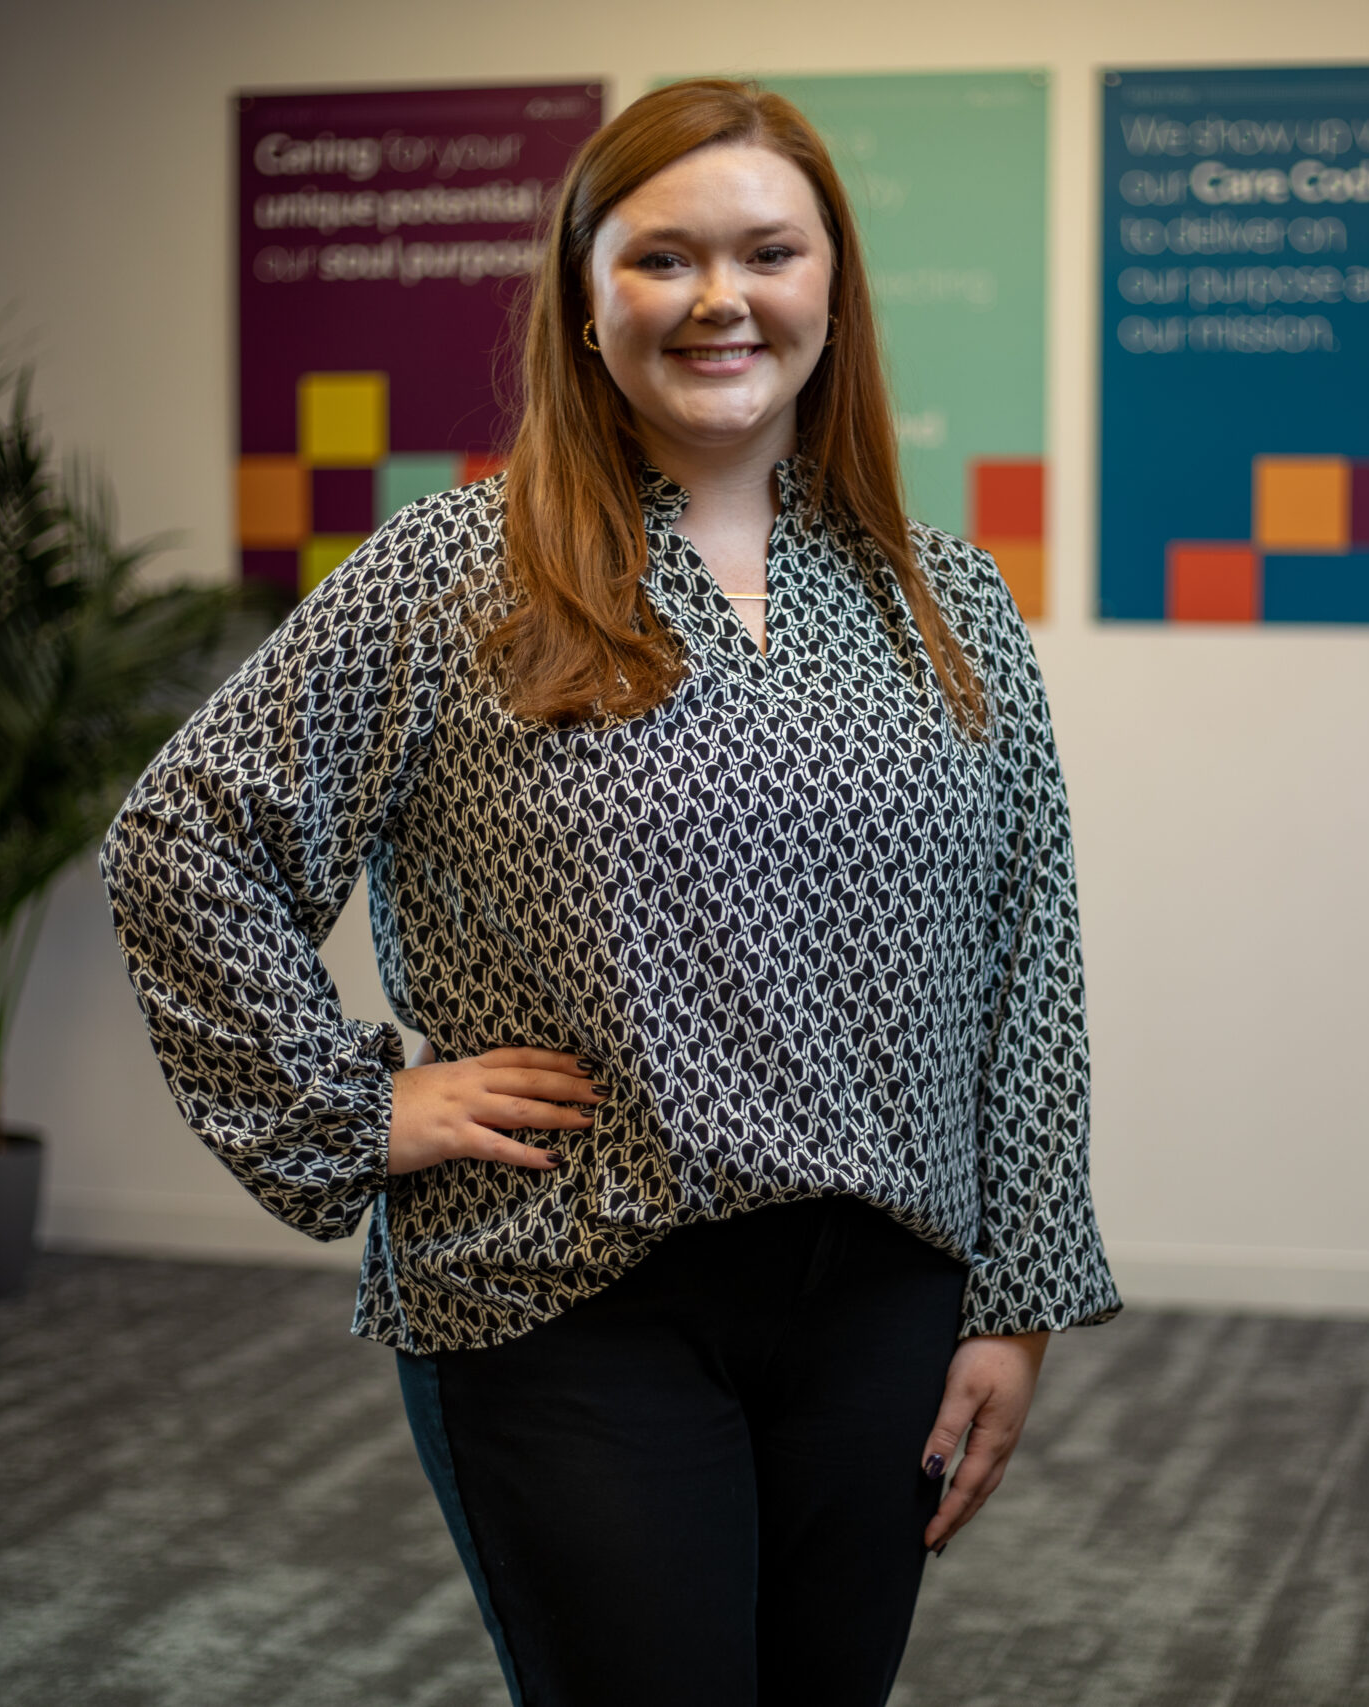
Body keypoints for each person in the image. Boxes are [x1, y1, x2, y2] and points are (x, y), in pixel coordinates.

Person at [101, 78, 1119, 1707]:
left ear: (832, 289)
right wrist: (357, 1108)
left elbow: (1029, 967)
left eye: (768, 253)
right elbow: (184, 838)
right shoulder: (462, 573)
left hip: (884, 1306)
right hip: (570, 1295)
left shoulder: (948, 598)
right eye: (664, 259)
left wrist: (1017, 1302)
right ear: (586, 304)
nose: (722, 299)